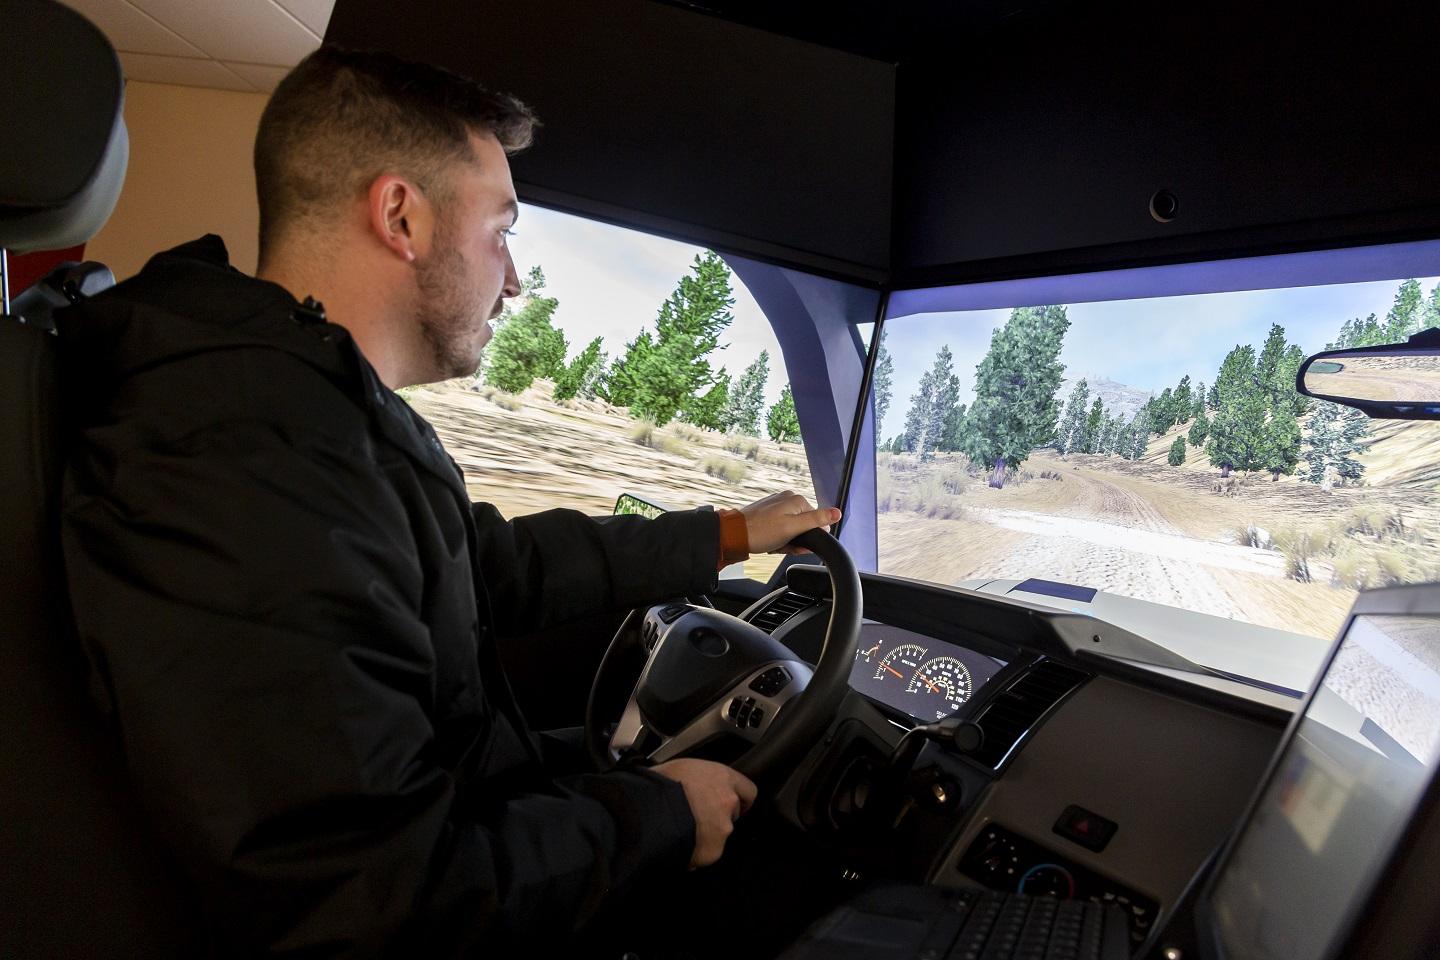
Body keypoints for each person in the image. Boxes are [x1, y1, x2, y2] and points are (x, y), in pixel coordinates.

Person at [57, 46, 840, 956]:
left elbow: (488, 564)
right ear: (401, 216)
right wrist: (658, 816)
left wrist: (732, 532)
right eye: (501, 231)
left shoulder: (312, 408)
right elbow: (366, 905)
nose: (512, 280)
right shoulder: (248, 456)